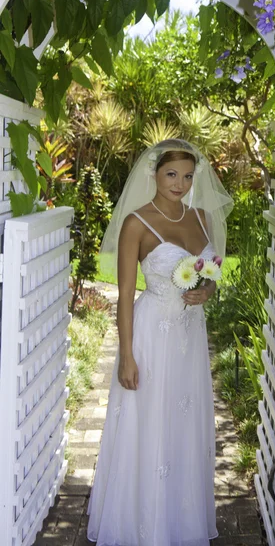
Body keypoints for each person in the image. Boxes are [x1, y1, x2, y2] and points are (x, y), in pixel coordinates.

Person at [86, 139, 233, 546]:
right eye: (172, 174)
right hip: (153, 334)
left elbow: (209, 277)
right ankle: (142, 523)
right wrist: (127, 356)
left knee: (184, 425)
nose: (180, 183)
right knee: (147, 424)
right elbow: (126, 295)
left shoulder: (202, 218)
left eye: (187, 176)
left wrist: (207, 293)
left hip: (190, 337)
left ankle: (179, 520)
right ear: (153, 173)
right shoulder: (136, 223)